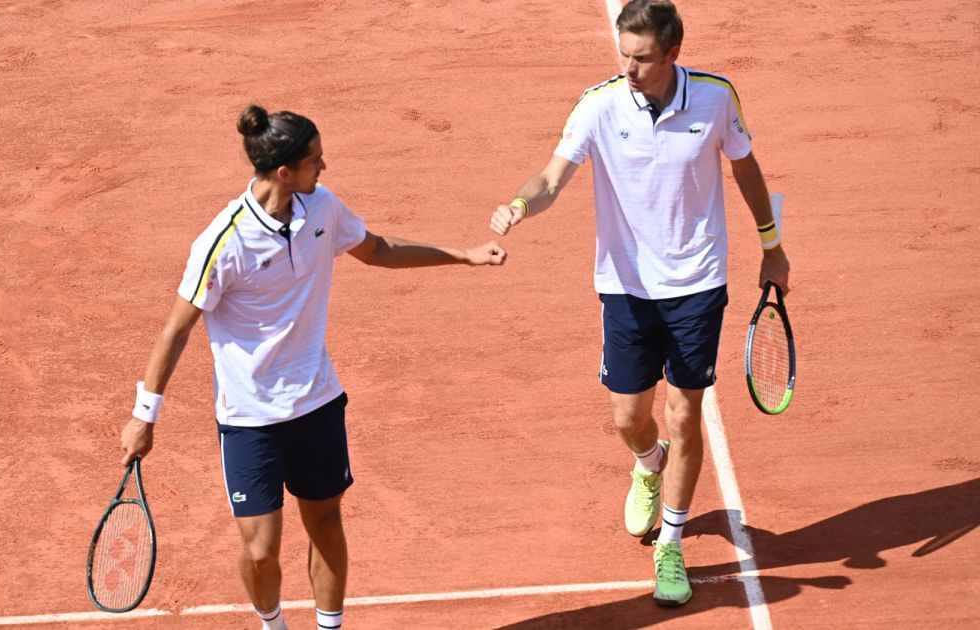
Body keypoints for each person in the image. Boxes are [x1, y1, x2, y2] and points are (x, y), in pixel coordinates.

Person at [120, 104, 506, 630]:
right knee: (260, 550)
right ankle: (272, 623)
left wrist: (461, 254)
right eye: (315, 161)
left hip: (316, 401)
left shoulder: (320, 209)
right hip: (249, 417)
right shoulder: (224, 241)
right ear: (285, 172)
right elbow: (176, 328)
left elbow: (377, 249)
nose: (324, 168)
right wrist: (145, 415)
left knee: (325, 521)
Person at [489, 0, 790, 608]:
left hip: (697, 282)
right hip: (625, 286)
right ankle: (648, 465)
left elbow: (746, 168)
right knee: (628, 419)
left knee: (685, 415)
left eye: (643, 59)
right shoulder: (599, 104)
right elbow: (551, 177)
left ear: (673, 53)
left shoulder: (714, 97)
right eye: (623, 55)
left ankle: (672, 545)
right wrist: (518, 206)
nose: (629, 68)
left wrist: (772, 245)